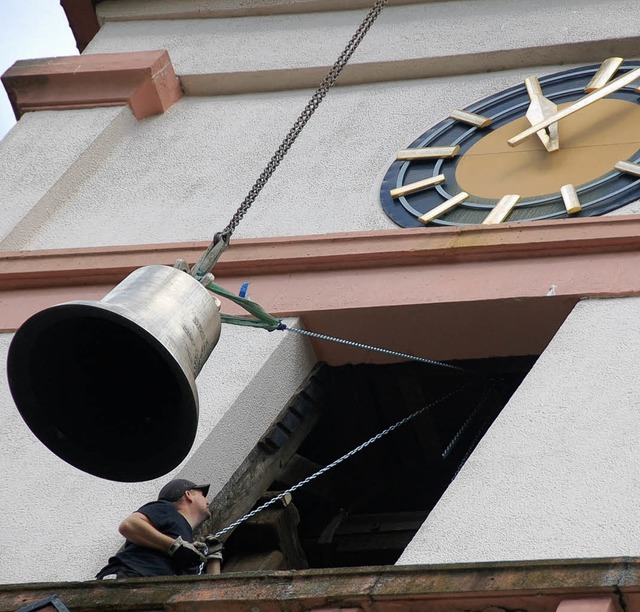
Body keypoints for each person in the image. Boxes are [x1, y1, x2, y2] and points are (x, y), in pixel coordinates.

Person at [95, 478, 217, 579]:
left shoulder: (187, 540)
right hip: (128, 578)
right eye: (203, 494)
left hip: (150, 590)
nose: (207, 500)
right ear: (188, 495)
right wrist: (174, 546)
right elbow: (129, 525)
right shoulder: (167, 509)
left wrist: (214, 558)